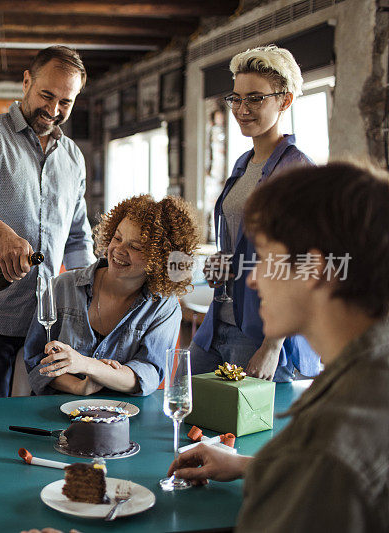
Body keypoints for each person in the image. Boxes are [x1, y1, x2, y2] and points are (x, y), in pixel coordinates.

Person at [168, 161, 389, 531]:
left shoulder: (332, 441)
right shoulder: (367, 378)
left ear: (315, 270)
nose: (252, 281)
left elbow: (325, 468)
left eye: (265, 259)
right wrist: (248, 466)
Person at [0, 45, 95, 398]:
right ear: (26, 82)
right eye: (46, 95)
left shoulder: (73, 157)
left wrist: (91, 297)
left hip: (48, 322)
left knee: (43, 420)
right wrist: (1, 233)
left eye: (66, 102)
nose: (54, 110)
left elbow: (76, 238)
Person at [191, 45, 320, 382]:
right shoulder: (243, 164)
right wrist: (222, 261)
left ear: (285, 101)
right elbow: (243, 242)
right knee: (191, 420)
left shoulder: (296, 171)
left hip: (260, 335)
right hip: (217, 323)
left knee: (250, 435)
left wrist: (272, 346)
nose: (242, 109)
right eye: (236, 98)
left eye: (255, 98)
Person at [24, 195, 200, 397]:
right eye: (117, 237)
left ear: (159, 259)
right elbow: (36, 360)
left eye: (135, 247)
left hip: (122, 417)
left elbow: (149, 373)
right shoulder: (62, 287)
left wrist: (87, 365)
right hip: (52, 412)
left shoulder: (163, 307)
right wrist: (79, 387)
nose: (119, 250)